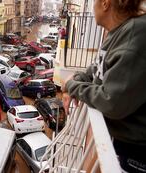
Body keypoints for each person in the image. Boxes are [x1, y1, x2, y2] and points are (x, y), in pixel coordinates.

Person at [62, 0, 146, 172]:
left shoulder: (134, 34)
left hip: (135, 150)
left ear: (106, 4)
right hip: (121, 140)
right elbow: (96, 69)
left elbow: (111, 101)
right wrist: (77, 79)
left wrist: (72, 85)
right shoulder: (119, 32)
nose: (92, 6)